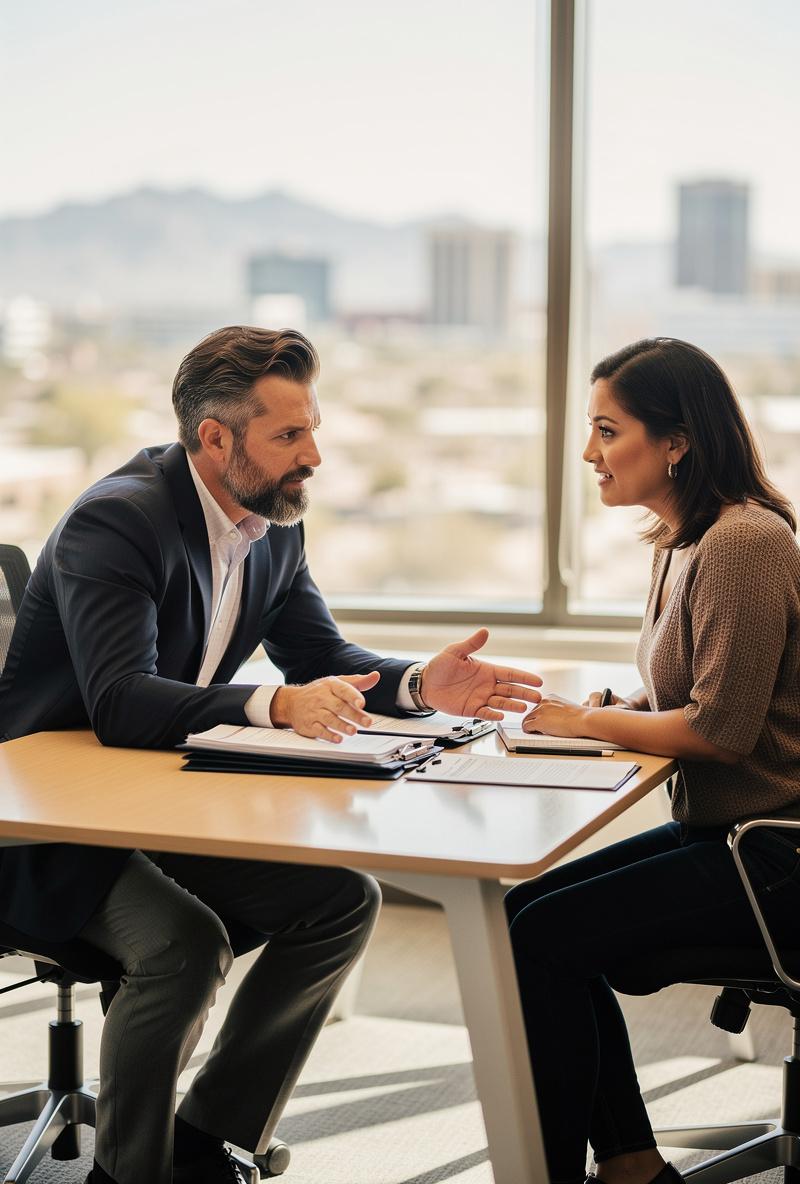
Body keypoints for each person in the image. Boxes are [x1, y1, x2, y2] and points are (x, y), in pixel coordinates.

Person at [0, 325, 542, 1184]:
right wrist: (276, 705)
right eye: (289, 435)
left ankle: (209, 1135)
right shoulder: (119, 520)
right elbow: (119, 702)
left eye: (312, 429)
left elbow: (319, 656)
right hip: (46, 828)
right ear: (214, 438)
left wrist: (418, 688)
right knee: (184, 943)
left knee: (338, 902)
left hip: (149, 806)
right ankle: (128, 1173)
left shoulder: (272, 524)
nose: (314, 456)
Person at [504, 337, 800, 1184]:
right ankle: (632, 1164)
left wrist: (577, 723)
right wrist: (606, 714)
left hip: (774, 854)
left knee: (547, 937)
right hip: (730, 833)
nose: (590, 454)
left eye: (608, 429)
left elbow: (721, 732)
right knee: (516, 914)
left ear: (677, 442)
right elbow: (690, 691)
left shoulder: (744, 542)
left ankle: (573, 1170)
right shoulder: (681, 539)